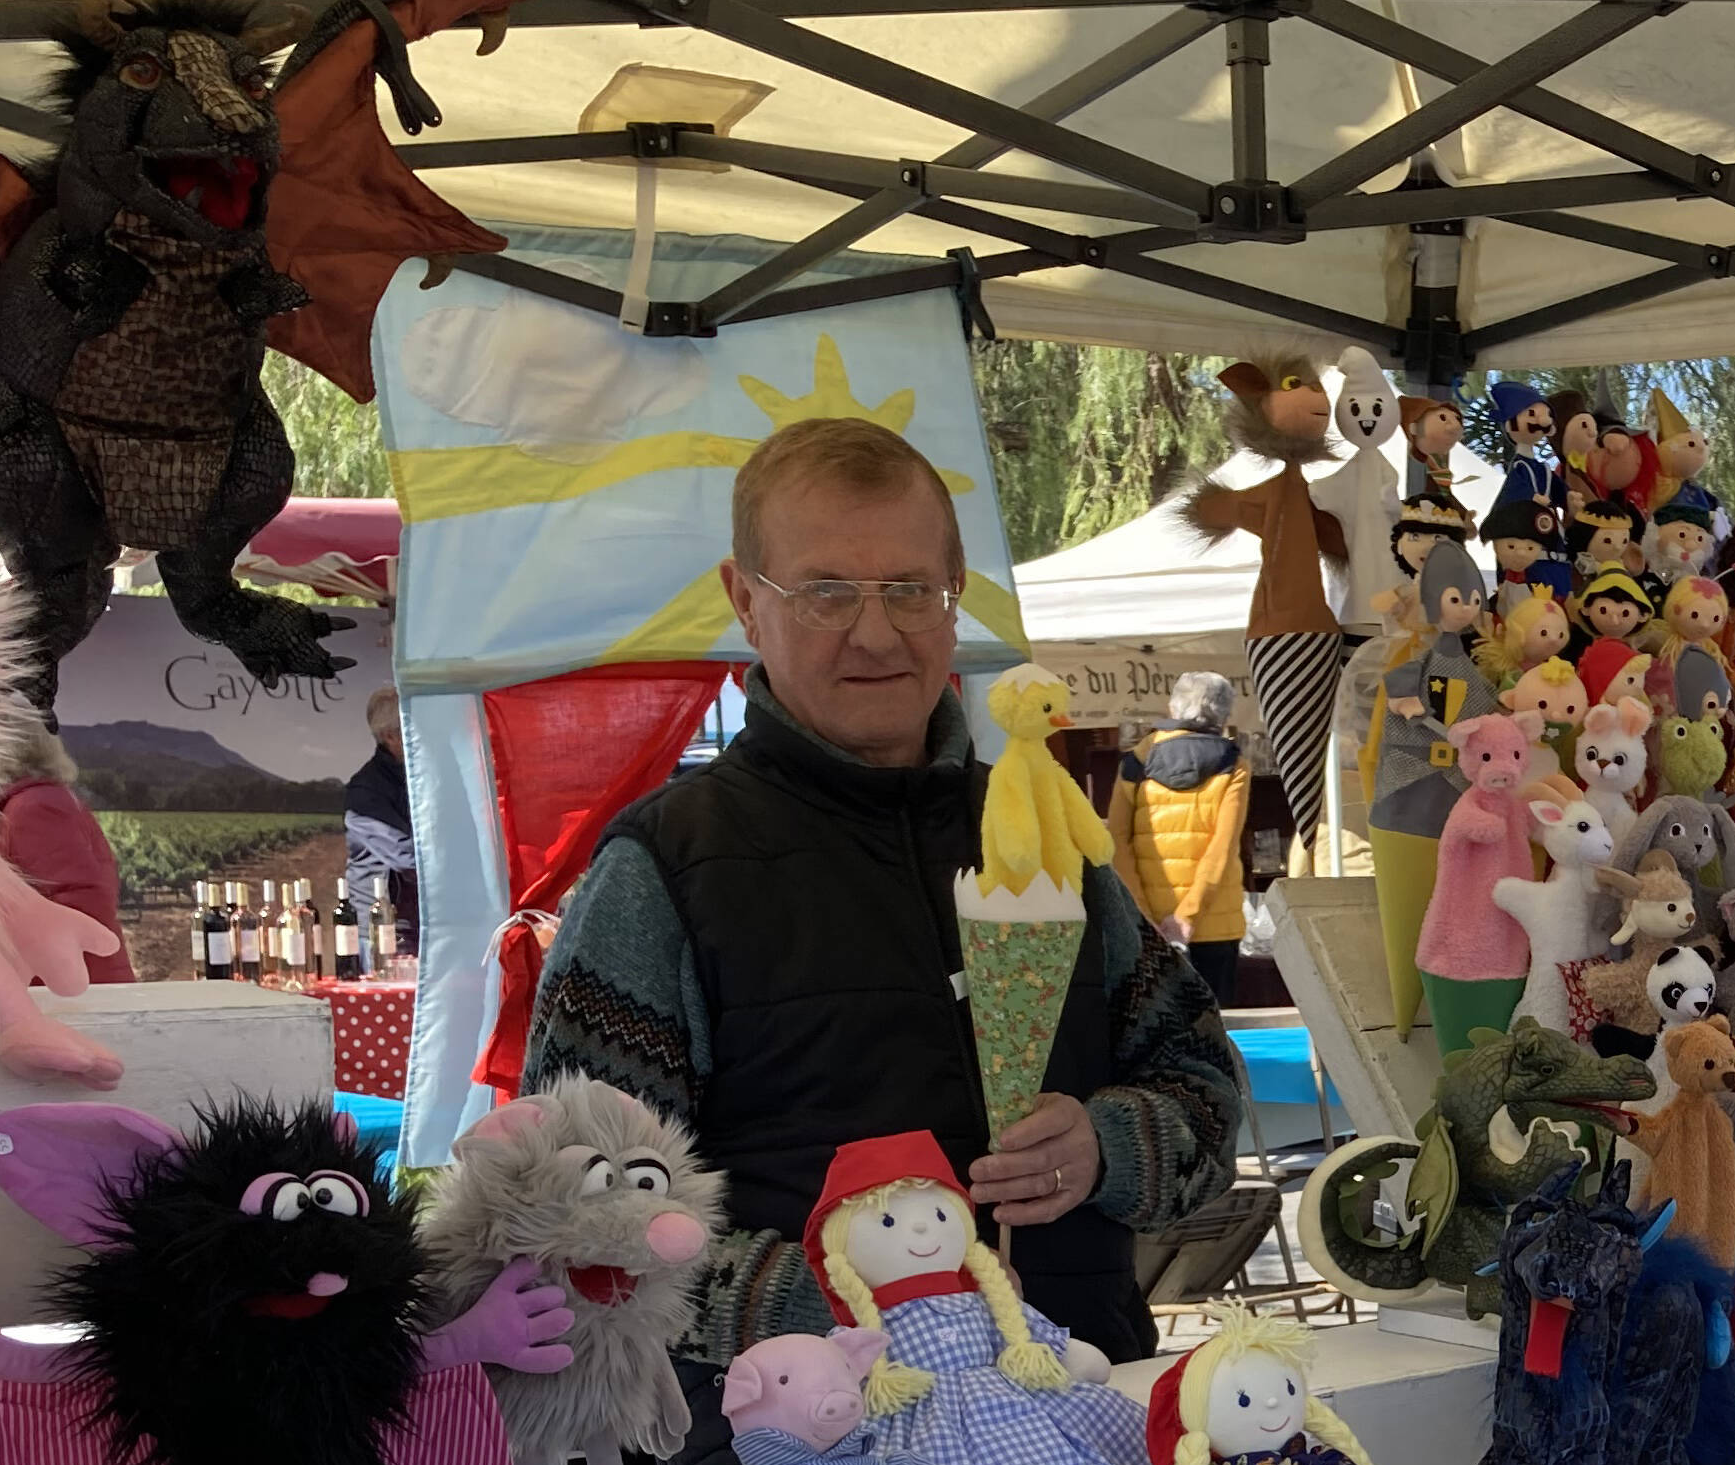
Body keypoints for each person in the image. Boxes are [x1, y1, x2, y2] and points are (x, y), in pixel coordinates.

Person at [526, 417, 1245, 1374]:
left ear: (954, 601)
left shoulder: (1045, 839)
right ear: (745, 601)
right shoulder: (664, 869)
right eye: (825, 592)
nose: (875, 634)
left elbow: (1205, 1092)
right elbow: (571, 1217)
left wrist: (1110, 1147)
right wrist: (836, 1300)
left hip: (1084, 1411)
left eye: (910, 590)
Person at [1112, 668, 1257, 1010]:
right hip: (1214, 925)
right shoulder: (1234, 765)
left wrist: (1144, 915)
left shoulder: (1136, 761)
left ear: (1173, 707)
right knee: (1216, 1029)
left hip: (1147, 927)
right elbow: (1222, 848)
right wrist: (1187, 917)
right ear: (1224, 713)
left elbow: (1117, 843)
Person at [0, 715, 134, 985]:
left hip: (67, 988)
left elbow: (81, 902)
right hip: (68, 985)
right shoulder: (37, 800)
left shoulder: (34, 807)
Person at [343, 687, 418, 951]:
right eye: (413, 725)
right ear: (390, 737)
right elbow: (405, 857)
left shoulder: (417, 777)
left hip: (416, 921)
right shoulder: (365, 792)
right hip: (384, 926)